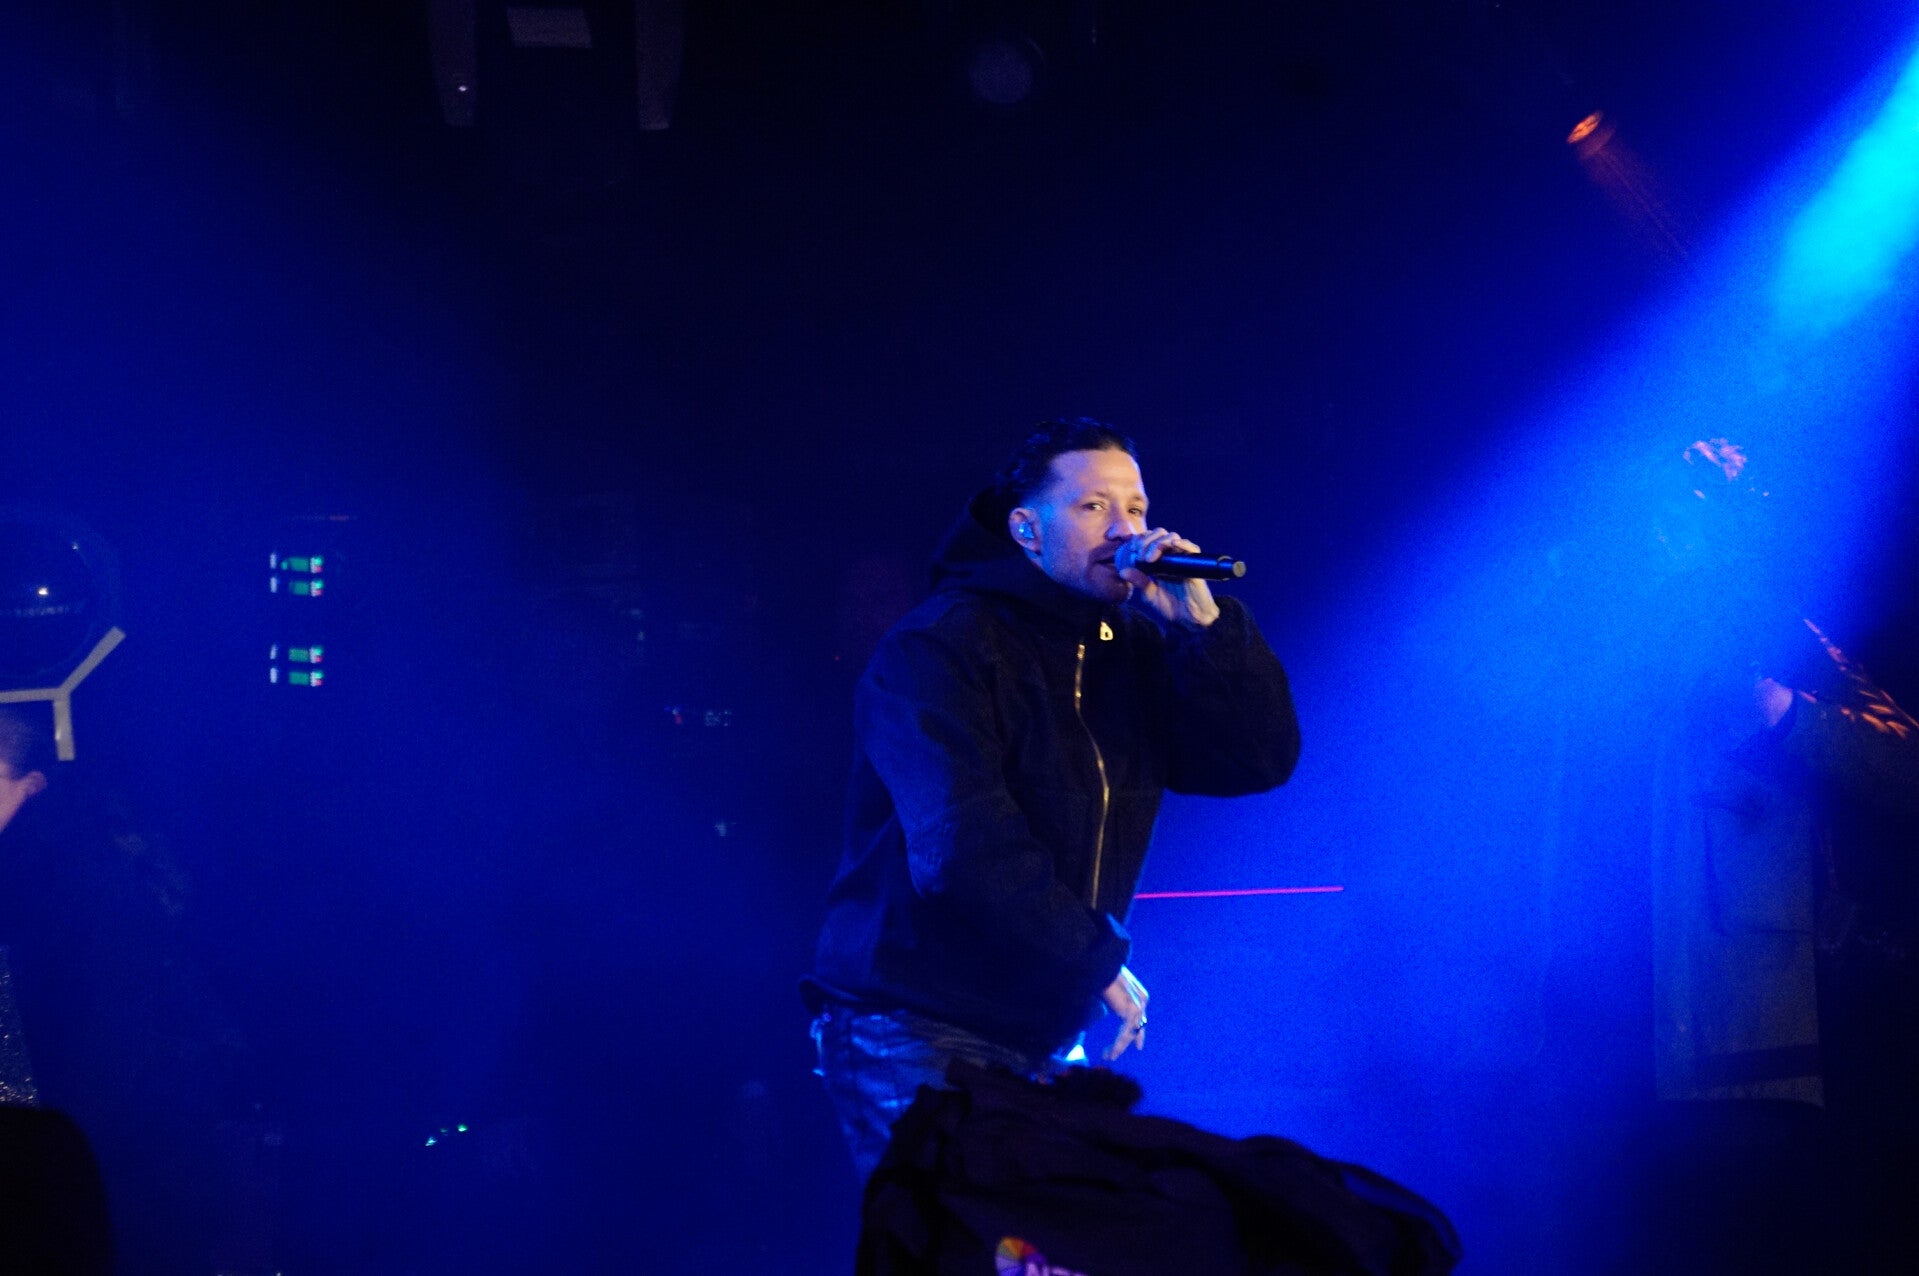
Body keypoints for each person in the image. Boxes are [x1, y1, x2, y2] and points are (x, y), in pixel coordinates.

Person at [804, 419, 1301, 1182]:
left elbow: (1254, 760)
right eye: (1093, 506)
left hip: (1039, 1022)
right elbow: (963, 847)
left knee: (1059, 1236)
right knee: (957, 1235)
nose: (1125, 529)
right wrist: (1092, 958)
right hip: (915, 1017)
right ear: (1025, 529)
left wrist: (1205, 629)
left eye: (1135, 507)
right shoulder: (938, 647)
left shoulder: (1126, 648)